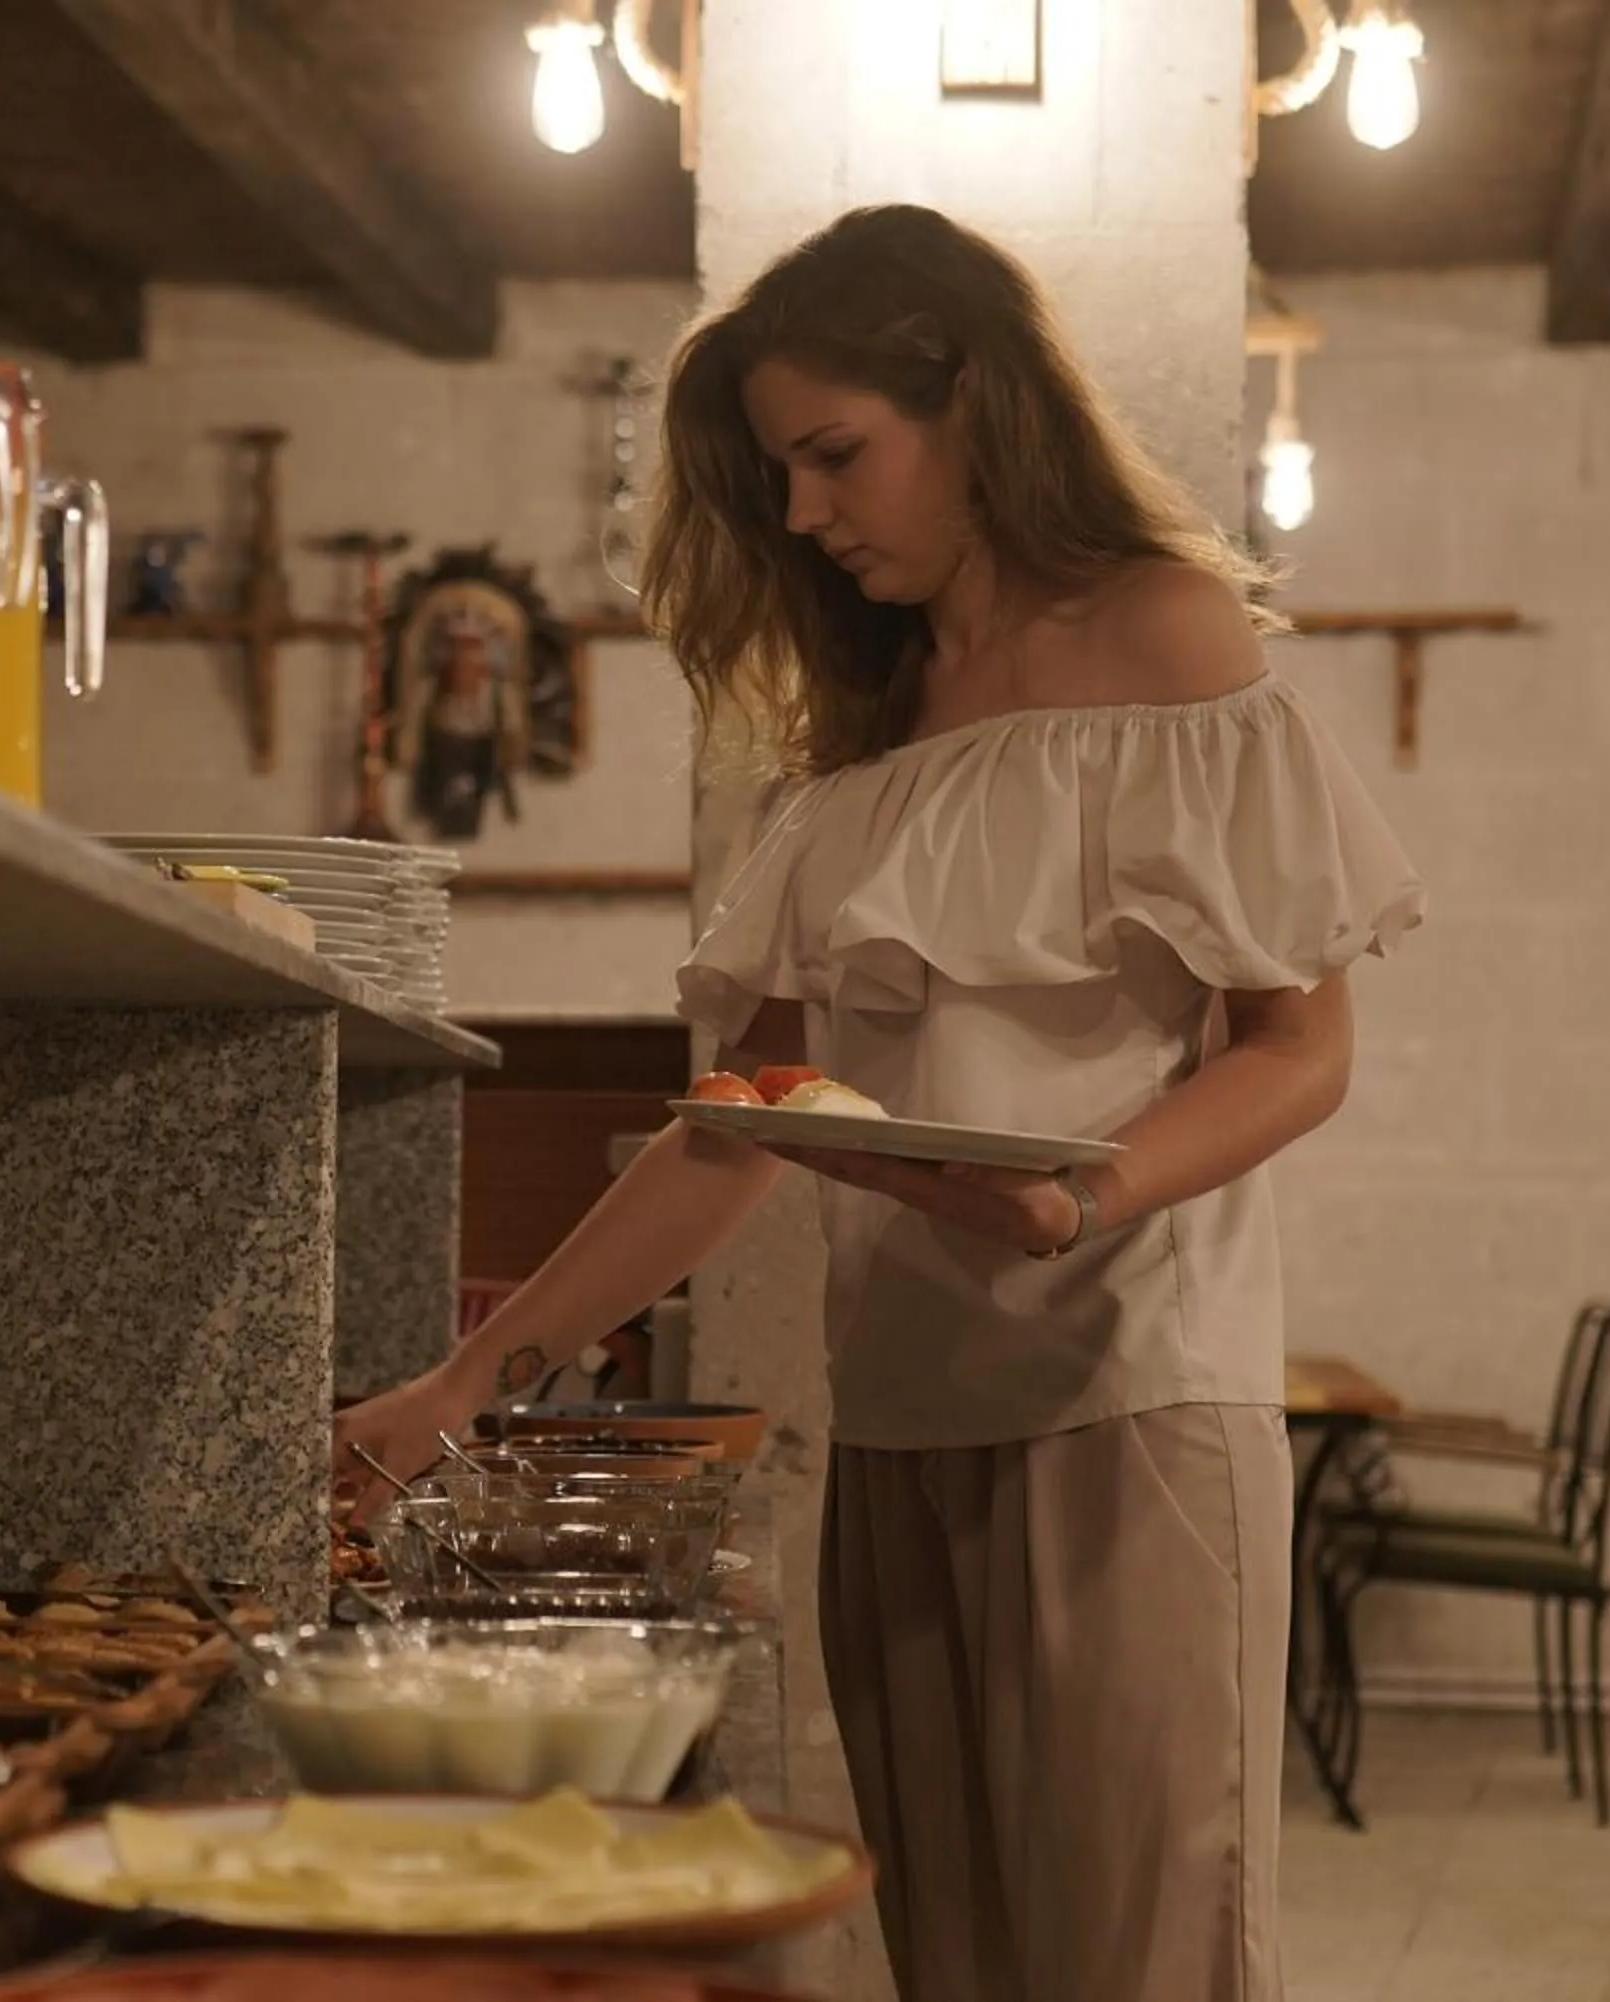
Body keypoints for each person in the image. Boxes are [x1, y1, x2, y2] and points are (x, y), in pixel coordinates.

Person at [333, 203, 1423, 2002]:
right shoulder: (865, 723)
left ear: (977, 400)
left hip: (1132, 1406)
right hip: (906, 1423)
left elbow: (1302, 1047)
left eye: (836, 455)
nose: (808, 514)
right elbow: (733, 1122)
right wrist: (473, 1378)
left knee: (1141, 1966)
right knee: (961, 1969)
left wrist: (1084, 1195)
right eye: (779, 475)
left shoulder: (1168, 636)